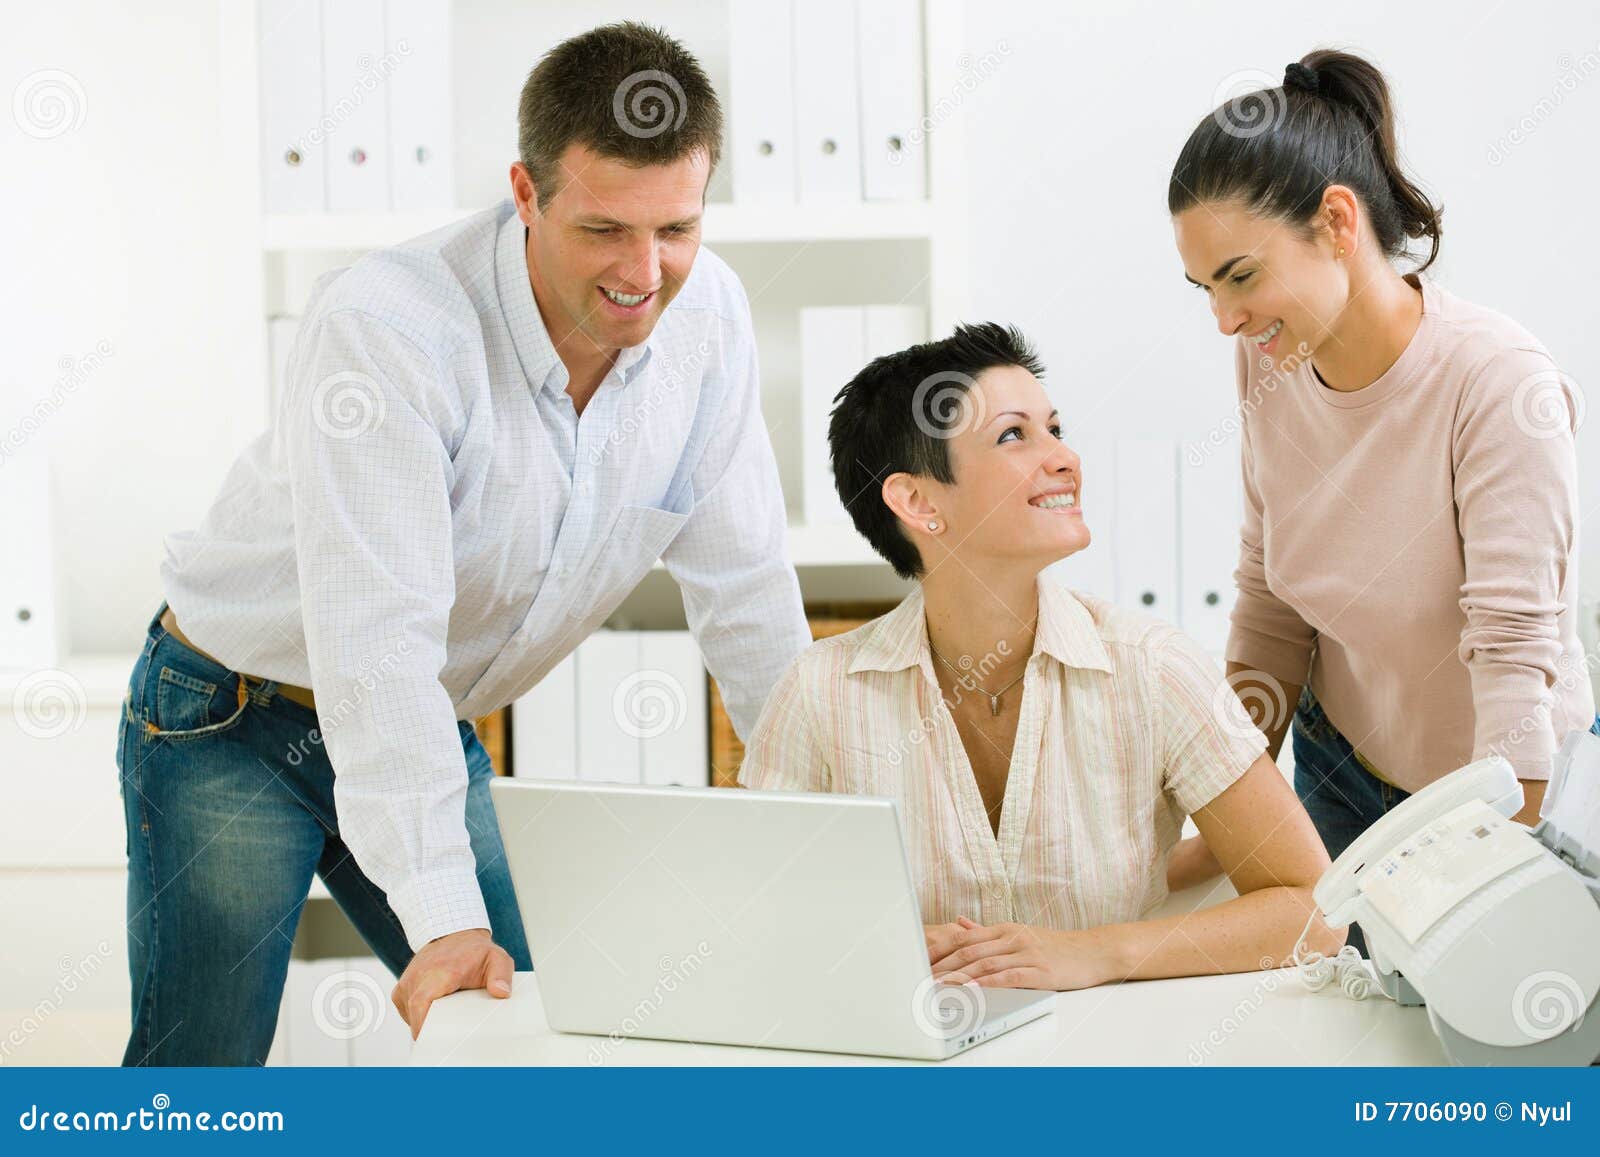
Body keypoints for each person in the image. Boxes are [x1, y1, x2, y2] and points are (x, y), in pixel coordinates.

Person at [117, 22, 809, 1064]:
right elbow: (376, 636)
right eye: (605, 229)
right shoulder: (391, 327)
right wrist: (441, 913)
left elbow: (746, 586)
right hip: (234, 712)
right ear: (525, 194)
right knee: (199, 1070)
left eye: (674, 228)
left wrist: (826, 816)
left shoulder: (707, 318)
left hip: (418, 718)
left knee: (545, 1026)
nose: (643, 271)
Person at [739, 323, 1343, 989]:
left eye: (1055, 429)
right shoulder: (818, 693)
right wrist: (886, 944)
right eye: (1013, 435)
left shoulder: (1153, 668)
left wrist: (1095, 952)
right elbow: (753, 923)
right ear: (917, 501)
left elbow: (1315, 910)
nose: (1063, 458)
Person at [1165, 50, 1598, 953]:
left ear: (1335, 221)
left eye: (1241, 276)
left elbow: (1515, 648)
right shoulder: (1270, 359)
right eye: (1206, 289)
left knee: (1494, 1052)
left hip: (1506, 788)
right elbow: (1270, 595)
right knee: (1346, 1042)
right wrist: (1230, 793)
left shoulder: (1495, 382)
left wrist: (1482, 873)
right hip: (1341, 764)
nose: (1224, 321)